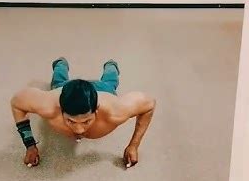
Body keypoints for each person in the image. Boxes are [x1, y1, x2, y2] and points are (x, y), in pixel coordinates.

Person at [10, 58, 156, 169]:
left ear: (96, 109)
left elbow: (149, 105)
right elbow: (17, 103)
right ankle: (60, 64)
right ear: (60, 109)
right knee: (58, 80)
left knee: (110, 81)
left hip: (103, 90)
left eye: (86, 121)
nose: (79, 130)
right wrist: (29, 145)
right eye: (71, 121)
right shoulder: (48, 105)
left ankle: (111, 65)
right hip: (64, 88)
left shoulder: (115, 111)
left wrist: (133, 146)